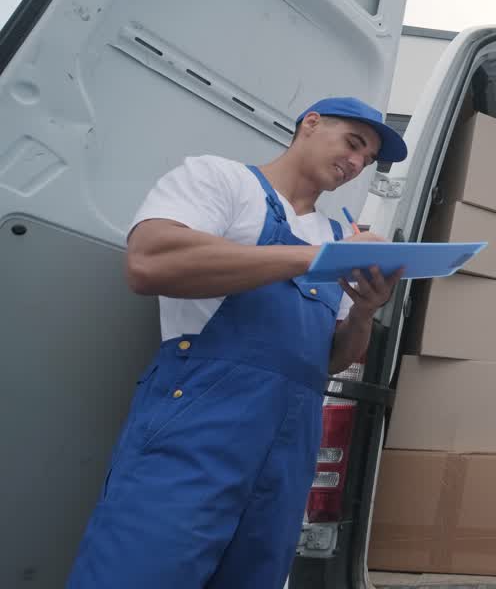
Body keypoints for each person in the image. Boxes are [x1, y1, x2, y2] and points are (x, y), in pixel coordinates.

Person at [68, 97, 409, 588]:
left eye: (366, 159)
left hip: (288, 451)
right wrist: (317, 257)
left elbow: (332, 360)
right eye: (353, 144)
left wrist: (364, 310)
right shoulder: (220, 181)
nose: (356, 163)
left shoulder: (337, 234)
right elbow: (150, 262)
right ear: (309, 125)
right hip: (197, 429)